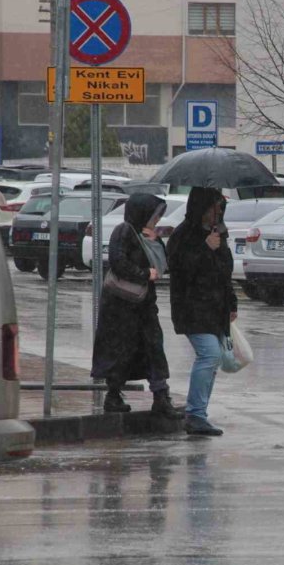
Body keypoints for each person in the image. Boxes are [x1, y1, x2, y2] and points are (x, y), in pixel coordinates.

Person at [90, 193, 181, 419]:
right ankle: (113, 396)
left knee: (154, 348)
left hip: (144, 305)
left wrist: (154, 241)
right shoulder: (124, 231)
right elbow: (117, 261)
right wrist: (143, 274)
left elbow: (163, 265)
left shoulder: (148, 235)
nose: (158, 219)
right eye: (155, 214)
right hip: (120, 307)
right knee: (120, 350)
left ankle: (161, 397)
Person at [167, 187, 238, 436]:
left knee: (214, 358)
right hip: (192, 307)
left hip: (215, 307)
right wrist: (204, 248)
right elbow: (179, 270)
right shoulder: (184, 234)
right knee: (209, 355)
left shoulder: (219, 232)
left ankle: (199, 413)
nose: (217, 212)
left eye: (220, 207)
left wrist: (231, 303)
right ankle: (196, 415)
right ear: (201, 207)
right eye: (213, 207)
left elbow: (225, 271)